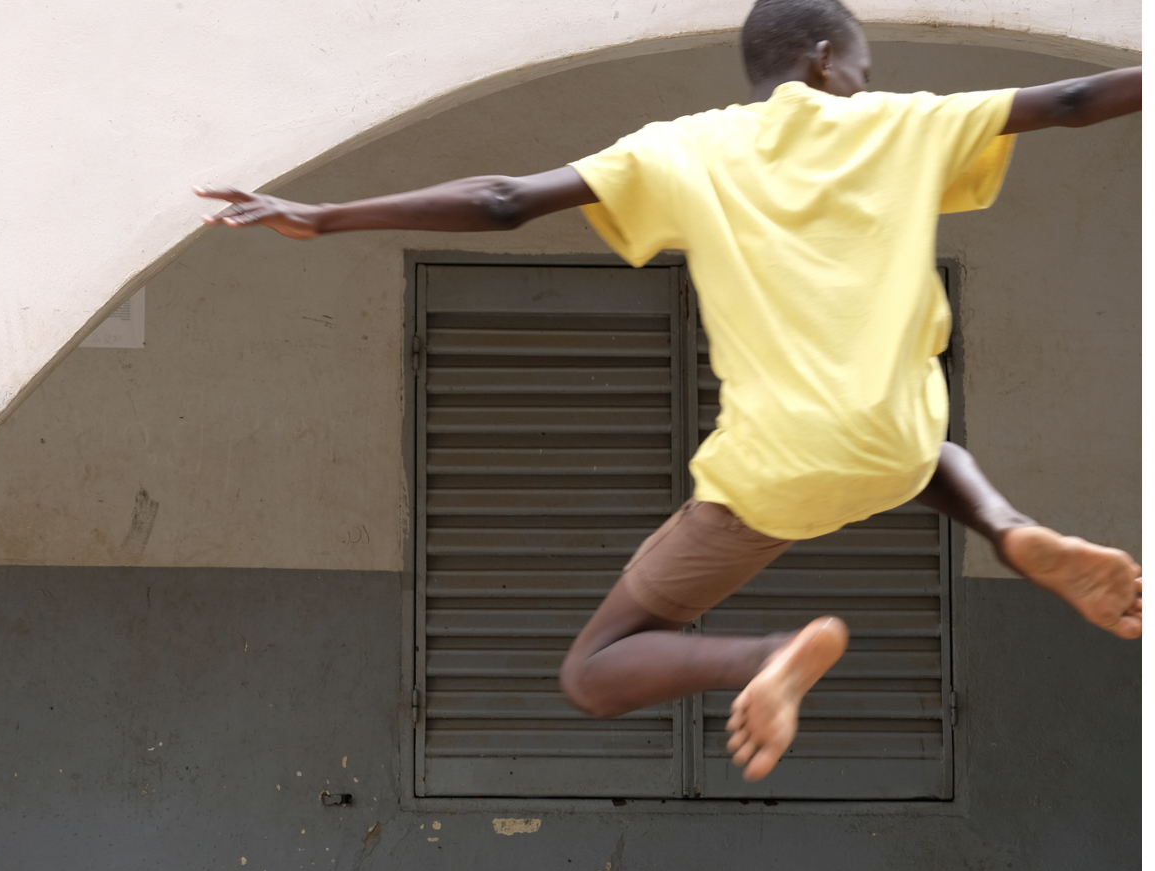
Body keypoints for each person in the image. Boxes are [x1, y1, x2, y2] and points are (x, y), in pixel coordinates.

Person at [195, 0, 1141, 782]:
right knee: (928, 455)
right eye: (862, 68)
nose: (866, 85)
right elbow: (1070, 99)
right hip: (893, 442)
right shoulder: (904, 124)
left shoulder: (685, 149)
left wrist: (325, 215)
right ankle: (1009, 529)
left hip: (771, 474)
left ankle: (762, 656)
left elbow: (503, 200)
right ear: (824, 59)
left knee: (594, 671)